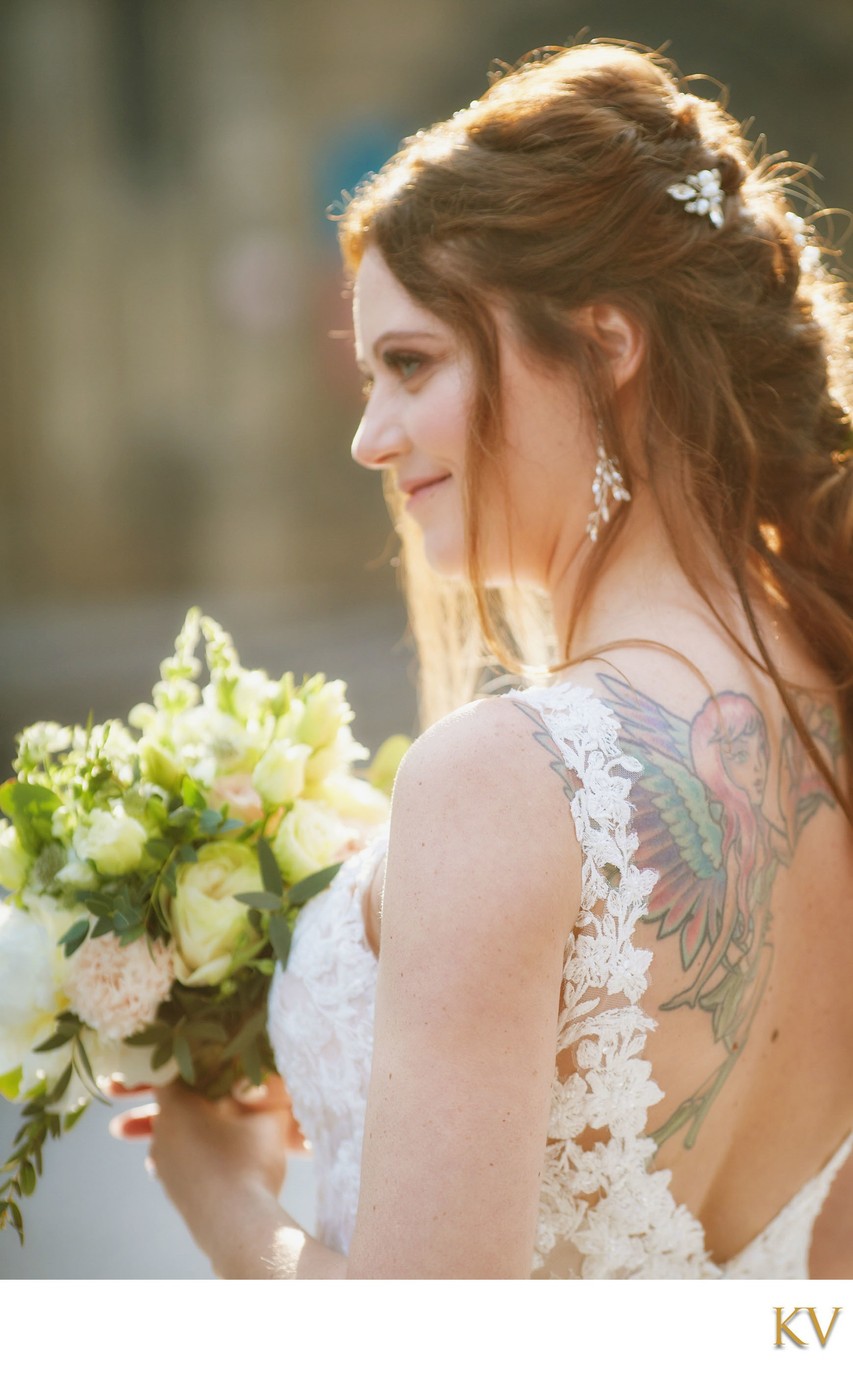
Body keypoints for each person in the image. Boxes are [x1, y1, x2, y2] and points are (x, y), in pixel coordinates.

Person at [110, 40, 853, 1279]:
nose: (366, 438)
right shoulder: (832, 716)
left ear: (607, 345)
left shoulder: (508, 779)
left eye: (412, 363)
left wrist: (226, 1195)